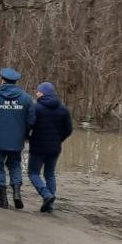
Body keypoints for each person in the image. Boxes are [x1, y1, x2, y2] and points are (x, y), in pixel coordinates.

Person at [0, 67, 36, 209]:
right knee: (15, 165)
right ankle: (16, 193)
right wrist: (25, 134)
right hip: (16, 142)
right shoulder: (26, 98)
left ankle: (3, 199)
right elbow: (31, 120)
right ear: (16, 81)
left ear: (2, 80)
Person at [27, 82, 73, 213]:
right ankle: (49, 204)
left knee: (33, 173)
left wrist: (28, 138)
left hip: (38, 148)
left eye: (38, 91)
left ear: (43, 93)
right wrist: (59, 140)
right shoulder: (63, 109)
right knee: (50, 174)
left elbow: (29, 125)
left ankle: (46, 195)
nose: (36, 93)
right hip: (55, 148)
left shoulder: (36, 108)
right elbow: (69, 130)